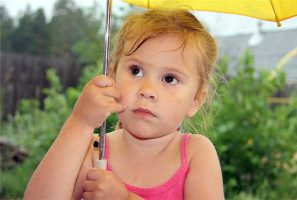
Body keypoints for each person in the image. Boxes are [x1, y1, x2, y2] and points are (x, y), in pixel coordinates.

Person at [24, 9, 224, 200]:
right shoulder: (95, 149)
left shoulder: (195, 154)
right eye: (136, 70)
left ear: (195, 101)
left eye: (169, 78)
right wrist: (80, 122)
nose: (147, 90)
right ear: (112, 77)